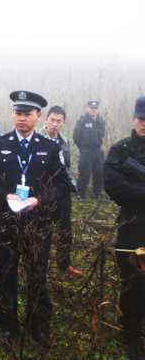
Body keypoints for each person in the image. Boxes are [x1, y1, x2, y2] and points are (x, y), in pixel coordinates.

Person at [0, 91, 72, 347]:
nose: (21, 119)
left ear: (38, 116)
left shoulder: (50, 147)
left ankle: (37, 325)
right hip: (5, 221)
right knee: (5, 273)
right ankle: (8, 325)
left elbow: (63, 184)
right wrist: (4, 195)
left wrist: (39, 200)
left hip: (37, 223)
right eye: (18, 113)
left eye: (27, 114)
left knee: (37, 275)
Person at [104, 96, 145, 360]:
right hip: (133, 226)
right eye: (142, 119)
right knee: (132, 282)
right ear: (133, 119)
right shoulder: (120, 150)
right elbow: (113, 185)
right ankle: (130, 334)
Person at [40, 105, 82, 277]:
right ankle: (40, 264)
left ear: (63, 123)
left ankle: (64, 265)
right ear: (46, 120)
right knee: (43, 230)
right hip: (43, 191)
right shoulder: (37, 139)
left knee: (65, 229)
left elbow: (67, 165)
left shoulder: (65, 141)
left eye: (59, 121)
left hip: (62, 191)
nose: (55, 124)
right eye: (52, 120)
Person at [73, 100, 106, 200]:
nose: (93, 110)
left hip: (97, 151)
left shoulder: (101, 121)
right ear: (87, 108)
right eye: (91, 108)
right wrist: (82, 147)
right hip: (86, 151)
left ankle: (97, 193)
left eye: (95, 109)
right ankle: (81, 194)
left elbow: (102, 135)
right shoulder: (82, 121)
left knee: (99, 173)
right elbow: (76, 136)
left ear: (98, 109)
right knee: (84, 173)